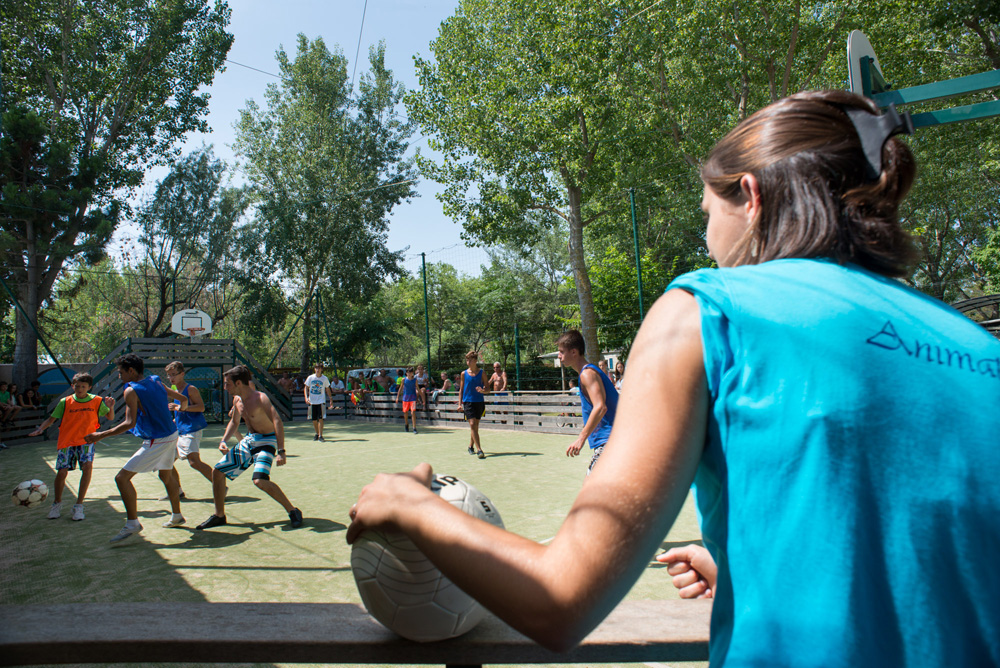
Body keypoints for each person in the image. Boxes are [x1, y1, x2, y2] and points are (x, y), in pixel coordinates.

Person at [346, 90, 1000, 665]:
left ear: (751, 196)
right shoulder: (975, 346)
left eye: (706, 214)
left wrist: (411, 505)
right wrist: (749, 564)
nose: (707, 238)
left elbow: (558, 602)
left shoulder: (709, 310)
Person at [85, 353, 189, 543]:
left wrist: (100, 435)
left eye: (120, 372)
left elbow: (129, 423)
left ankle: (133, 523)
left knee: (121, 478)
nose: (119, 376)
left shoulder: (131, 390)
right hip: (171, 433)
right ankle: (177, 516)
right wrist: (180, 410)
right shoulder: (156, 380)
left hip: (157, 440)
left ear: (131, 371)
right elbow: (182, 398)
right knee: (166, 475)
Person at [196, 365, 302, 530]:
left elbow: (277, 421)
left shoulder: (260, 398)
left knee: (259, 480)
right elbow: (234, 422)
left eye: (227, 384)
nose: (225, 387)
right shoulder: (237, 400)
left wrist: (281, 451)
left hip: (267, 441)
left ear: (238, 383)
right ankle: (219, 515)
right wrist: (224, 440)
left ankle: (293, 511)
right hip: (250, 440)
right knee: (217, 472)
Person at [29, 373, 114, 521]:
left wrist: (110, 407)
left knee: (87, 468)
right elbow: (51, 419)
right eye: (77, 386)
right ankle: (57, 503)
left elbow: (110, 417)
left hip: (87, 441)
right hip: (67, 442)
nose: (80, 389)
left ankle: (79, 505)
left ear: (89, 387)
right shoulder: (65, 402)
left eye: (83, 386)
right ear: (72, 386)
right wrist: (41, 429)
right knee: (62, 472)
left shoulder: (97, 401)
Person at [557, 330, 619, 474]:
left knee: (591, 490)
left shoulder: (587, 374)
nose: (559, 356)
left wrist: (581, 438)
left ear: (574, 352)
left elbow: (600, 407)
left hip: (609, 442)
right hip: (613, 441)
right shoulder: (588, 373)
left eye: (561, 352)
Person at [163, 361, 214, 498]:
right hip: (179, 431)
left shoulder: (191, 389)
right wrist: (174, 419)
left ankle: (220, 485)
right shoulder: (175, 390)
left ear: (182, 374)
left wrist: (180, 408)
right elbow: (179, 412)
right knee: (165, 462)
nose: (171, 378)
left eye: (174, 374)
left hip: (192, 430)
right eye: (169, 375)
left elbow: (201, 407)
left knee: (194, 462)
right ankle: (177, 492)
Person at [456, 351, 487, 459]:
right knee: (473, 424)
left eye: (469, 360)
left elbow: (488, 389)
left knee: (475, 426)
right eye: (466, 360)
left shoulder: (482, 373)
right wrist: (460, 404)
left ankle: (470, 446)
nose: (467, 362)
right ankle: (479, 450)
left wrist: (483, 391)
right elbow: (461, 390)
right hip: (468, 402)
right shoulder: (463, 374)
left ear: (475, 361)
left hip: (479, 402)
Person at [304, 363, 333, 442]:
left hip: (321, 401)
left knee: (321, 418)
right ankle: (317, 433)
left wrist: (330, 399)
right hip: (312, 402)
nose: (317, 370)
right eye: (316, 368)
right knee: (314, 419)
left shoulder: (324, 379)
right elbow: (306, 388)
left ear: (321, 369)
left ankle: (320, 435)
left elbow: (327, 389)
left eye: (319, 368)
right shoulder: (310, 378)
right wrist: (306, 398)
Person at [395, 367, 419, 434]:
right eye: (408, 372)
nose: (409, 374)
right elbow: (400, 389)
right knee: (405, 413)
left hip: (413, 398)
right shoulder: (403, 380)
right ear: (406, 373)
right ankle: (406, 424)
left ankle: (414, 428)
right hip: (405, 399)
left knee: (413, 412)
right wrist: (397, 397)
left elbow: (418, 389)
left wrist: (422, 398)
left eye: (410, 372)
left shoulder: (415, 380)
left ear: (412, 373)